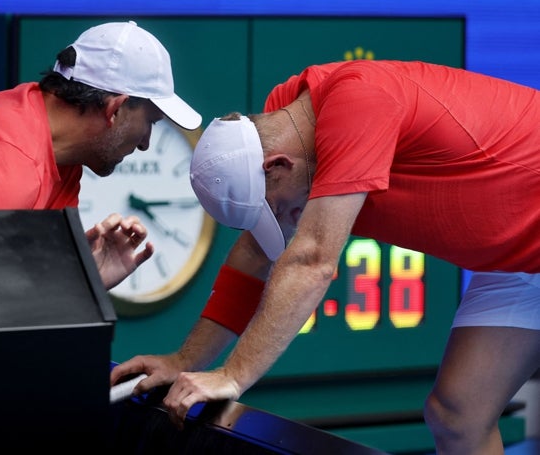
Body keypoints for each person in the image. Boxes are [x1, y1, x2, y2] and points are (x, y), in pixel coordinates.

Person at [110, 59, 540, 454]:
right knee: (458, 417)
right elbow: (258, 253)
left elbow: (313, 261)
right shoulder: (287, 122)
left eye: (273, 207)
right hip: (515, 255)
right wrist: (186, 360)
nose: (278, 221)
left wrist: (232, 375)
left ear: (277, 166)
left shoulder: (359, 102)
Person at [0, 21, 201, 289]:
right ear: (115, 109)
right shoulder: (11, 167)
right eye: (149, 123)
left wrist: (83, 279)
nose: (145, 143)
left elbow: (9, 289)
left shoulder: (52, 146)